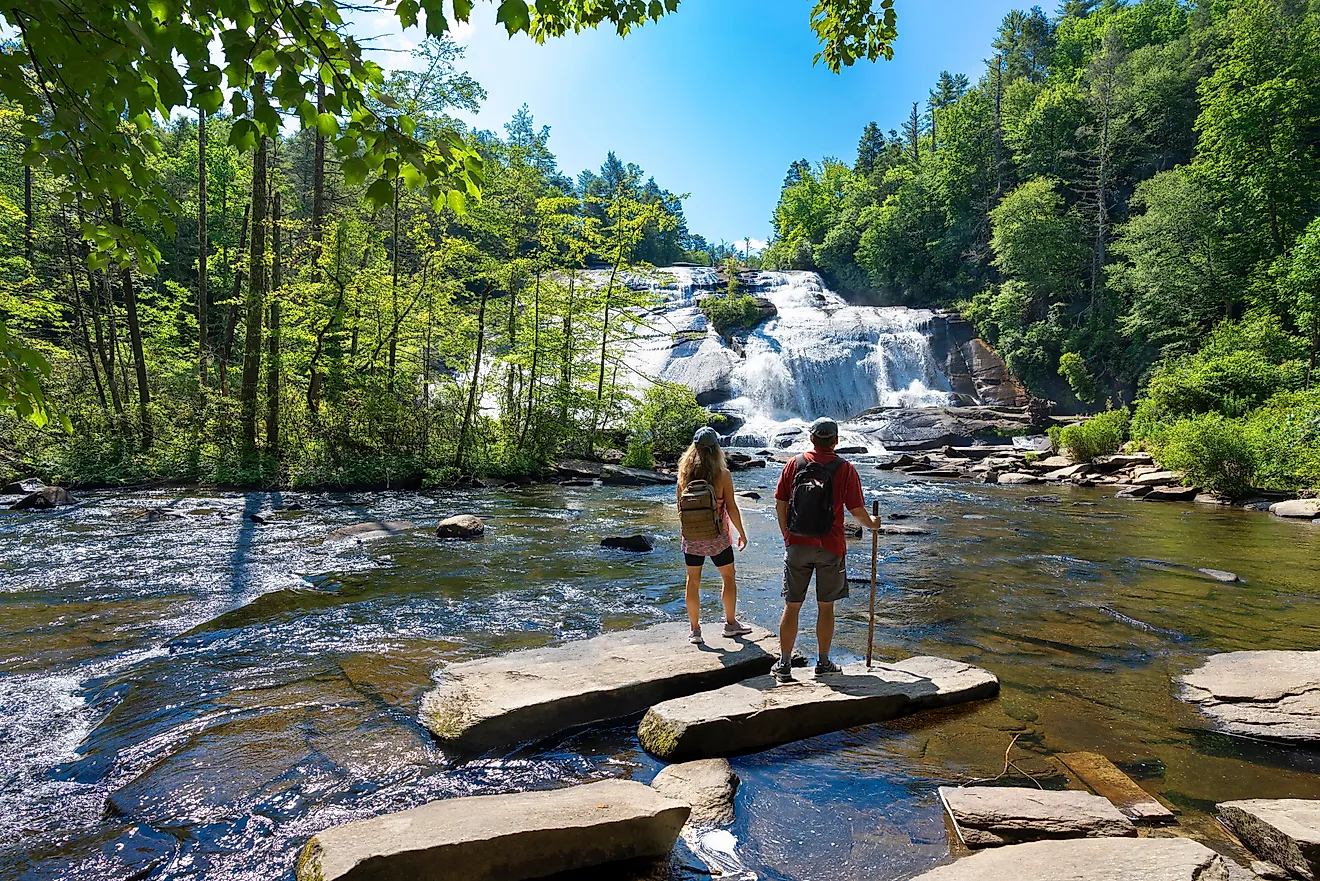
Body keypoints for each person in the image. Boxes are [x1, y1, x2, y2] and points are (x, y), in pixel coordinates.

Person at [772, 417, 881, 681]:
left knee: (792, 605)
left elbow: (780, 503)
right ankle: (823, 662)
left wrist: (787, 535)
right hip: (831, 546)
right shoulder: (845, 469)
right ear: (836, 441)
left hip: (797, 544)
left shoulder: (794, 464)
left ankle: (784, 665)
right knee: (826, 607)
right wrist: (873, 524)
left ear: (810, 438)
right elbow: (856, 511)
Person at [676, 427, 752, 645]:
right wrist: (741, 533)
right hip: (719, 537)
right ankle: (730, 624)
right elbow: (731, 507)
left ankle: (695, 631)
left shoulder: (683, 474)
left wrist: (688, 533)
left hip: (692, 537)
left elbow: (679, 508)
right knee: (728, 577)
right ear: (716, 449)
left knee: (692, 581)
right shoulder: (723, 475)